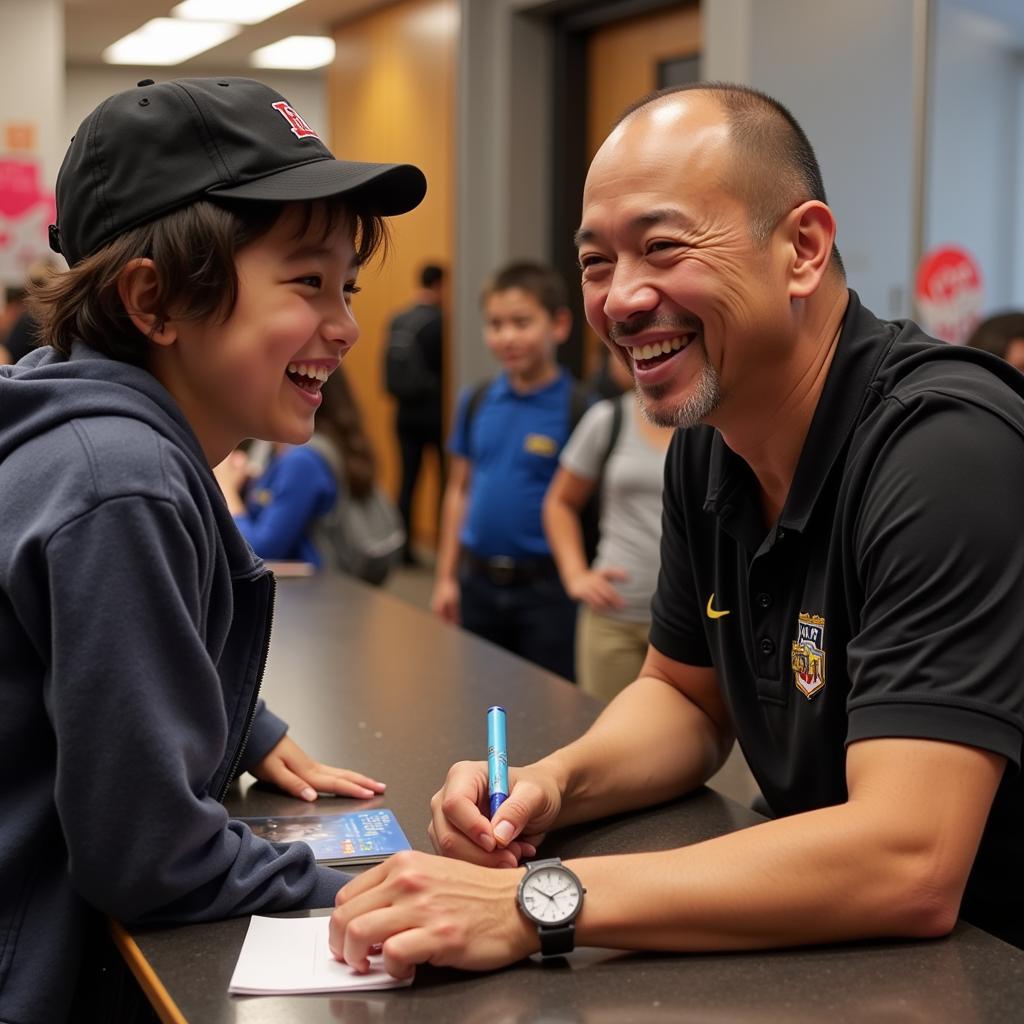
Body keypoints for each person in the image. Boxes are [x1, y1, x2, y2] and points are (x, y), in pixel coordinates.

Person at [328, 82, 1024, 979]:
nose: (619, 300)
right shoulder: (707, 443)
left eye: (661, 248)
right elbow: (689, 699)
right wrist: (552, 786)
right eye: (594, 263)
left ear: (803, 249)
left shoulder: (945, 447)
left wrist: (539, 901)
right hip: (840, 956)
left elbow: (911, 859)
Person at [0, 76, 425, 1024]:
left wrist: (248, 726)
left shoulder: (89, 434)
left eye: (347, 286)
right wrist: (389, 892)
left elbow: (78, 658)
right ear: (156, 300)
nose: (347, 325)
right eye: (308, 282)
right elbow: (150, 859)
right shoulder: (123, 481)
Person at [430, 261, 581, 680]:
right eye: (495, 324)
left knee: (551, 706)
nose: (507, 336)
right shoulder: (475, 400)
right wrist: (446, 577)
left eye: (521, 322)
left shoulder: (580, 408)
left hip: (546, 591)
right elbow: (459, 490)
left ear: (559, 324)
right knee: (481, 696)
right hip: (478, 582)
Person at [543, 354, 673, 701]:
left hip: (691, 623)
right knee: (603, 730)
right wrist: (576, 575)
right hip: (615, 616)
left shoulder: (713, 423)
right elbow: (560, 502)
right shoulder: (607, 418)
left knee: (689, 747)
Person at [215, 366, 379, 569]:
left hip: (305, 594)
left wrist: (226, 488)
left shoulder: (303, 459)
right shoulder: (320, 443)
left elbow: (257, 551)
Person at [385, 263, 446, 565]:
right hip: (435, 414)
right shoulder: (440, 322)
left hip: (403, 413)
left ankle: (404, 549)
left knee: (408, 481)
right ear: (439, 285)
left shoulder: (398, 320)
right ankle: (443, 544)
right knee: (445, 482)